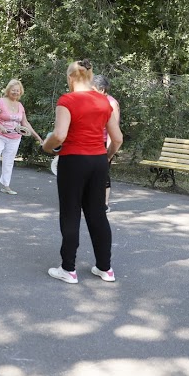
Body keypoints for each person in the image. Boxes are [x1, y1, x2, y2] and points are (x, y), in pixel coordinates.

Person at [43, 60, 123, 284]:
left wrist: (46, 148)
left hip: (73, 161)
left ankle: (68, 269)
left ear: (70, 78)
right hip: (98, 161)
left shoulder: (67, 100)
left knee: (70, 213)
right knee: (97, 213)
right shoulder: (105, 102)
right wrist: (105, 156)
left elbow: (59, 136)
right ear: (90, 76)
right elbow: (117, 139)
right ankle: (105, 268)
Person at [0, 79, 43, 195]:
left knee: (9, 161)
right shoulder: (0, 102)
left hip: (15, 137)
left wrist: (37, 137)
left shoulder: (20, 105)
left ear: (21, 92)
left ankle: (5, 185)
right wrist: (1, 127)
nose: (15, 92)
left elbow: (25, 123)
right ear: (8, 91)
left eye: (18, 91)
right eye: (13, 90)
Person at [92, 74, 120, 211]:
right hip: (91, 141)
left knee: (103, 174)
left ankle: (104, 203)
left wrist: (109, 152)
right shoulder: (93, 101)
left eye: (93, 89)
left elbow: (113, 131)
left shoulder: (111, 103)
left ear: (102, 90)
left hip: (104, 143)